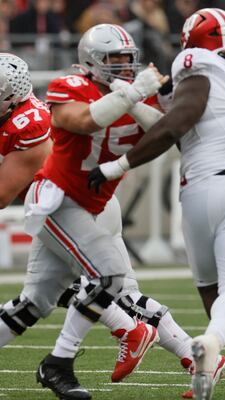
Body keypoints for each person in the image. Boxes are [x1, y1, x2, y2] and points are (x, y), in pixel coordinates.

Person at [87, 8, 225, 400]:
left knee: (212, 292)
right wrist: (124, 133)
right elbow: (179, 123)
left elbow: (178, 124)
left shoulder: (196, 62)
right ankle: (211, 344)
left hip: (199, 189)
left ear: (193, 42)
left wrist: (117, 162)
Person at [0, 24, 184, 400]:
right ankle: (68, 361)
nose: (123, 66)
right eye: (114, 59)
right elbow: (85, 120)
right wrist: (132, 93)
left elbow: (169, 135)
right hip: (63, 201)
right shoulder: (67, 86)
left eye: (126, 60)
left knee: (108, 284)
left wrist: (137, 97)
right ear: (92, 61)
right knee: (77, 291)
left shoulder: (31, 121)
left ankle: (66, 360)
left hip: (81, 200)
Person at [0, 53, 51, 209]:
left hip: (70, 208)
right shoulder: (8, 111)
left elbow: (1, 196)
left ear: (13, 99)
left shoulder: (29, 126)